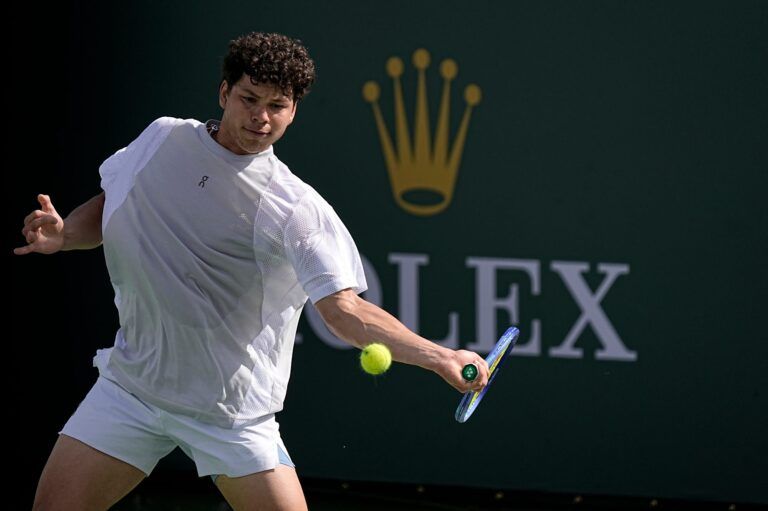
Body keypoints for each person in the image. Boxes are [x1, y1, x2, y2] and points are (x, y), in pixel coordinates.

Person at [18, 32, 489, 511]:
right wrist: (65, 235)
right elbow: (113, 202)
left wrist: (439, 357)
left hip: (231, 416)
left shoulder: (296, 209)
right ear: (224, 93)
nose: (261, 117)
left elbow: (344, 313)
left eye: (277, 105)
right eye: (249, 99)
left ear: (293, 112)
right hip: (132, 389)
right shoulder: (162, 137)